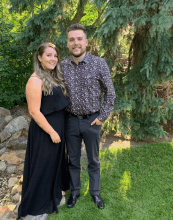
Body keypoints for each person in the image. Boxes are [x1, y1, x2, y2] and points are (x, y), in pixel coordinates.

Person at [61, 24, 116, 210]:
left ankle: (95, 193)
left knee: (93, 160)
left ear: (86, 42)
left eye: (79, 39)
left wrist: (102, 117)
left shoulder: (99, 63)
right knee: (73, 160)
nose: (75, 43)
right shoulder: (62, 67)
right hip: (71, 121)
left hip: (92, 121)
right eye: (71, 40)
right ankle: (75, 192)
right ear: (67, 44)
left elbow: (110, 93)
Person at [17, 42, 70, 219]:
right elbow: (34, 111)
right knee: (43, 166)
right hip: (45, 131)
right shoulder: (35, 80)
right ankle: (36, 205)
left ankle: (54, 192)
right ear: (39, 58)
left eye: (55, 55)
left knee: (54, 163)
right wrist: (52, 132)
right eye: (49, 55)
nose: (53, 59)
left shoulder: (51, 76)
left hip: (57, 128)